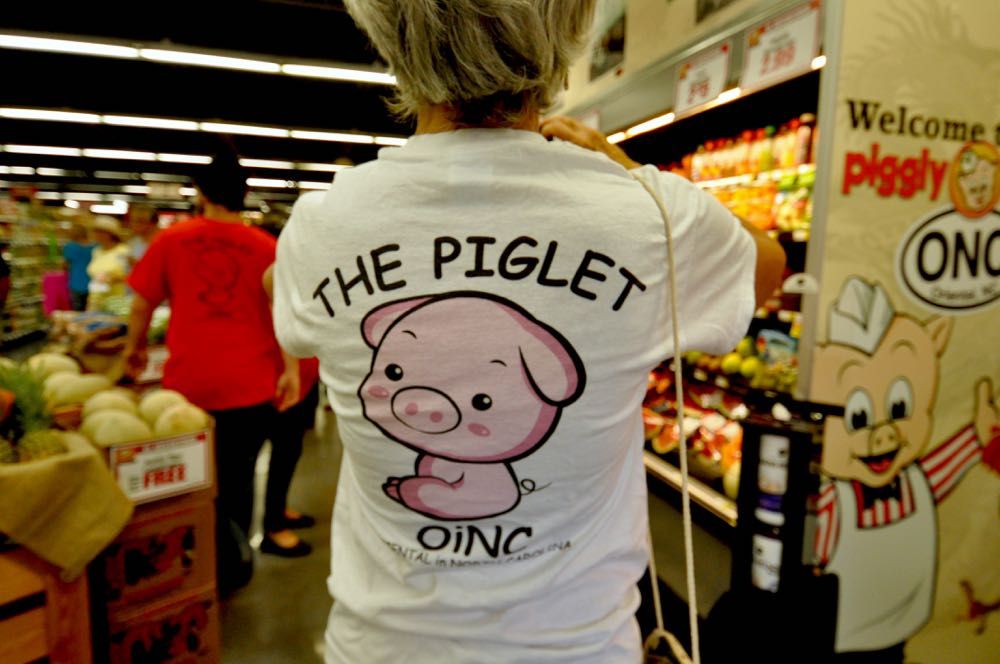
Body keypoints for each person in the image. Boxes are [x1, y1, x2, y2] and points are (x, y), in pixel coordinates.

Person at [271, 2, 786, 662]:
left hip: (379, 647)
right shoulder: (646, 217)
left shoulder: (320, 225)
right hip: (578, 647)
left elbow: (284, 304)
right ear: (569, 34)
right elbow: (766, 266)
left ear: (386, 35)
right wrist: (624, 168)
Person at [123, 146, 300, 594]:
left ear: (201, 193)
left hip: (187, 388)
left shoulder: (172, 240)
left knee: (191, 483)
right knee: (239, 478)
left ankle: (191, 563)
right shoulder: (266, 246)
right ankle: (233, 564)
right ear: (244, 195)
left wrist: (134, 349)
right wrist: (291, 370)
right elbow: (286, 314)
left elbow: (142, 304)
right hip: (251, 385)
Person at [86, 216, 129, 311]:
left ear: (110, 234)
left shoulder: (123, 251)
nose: (96, 234)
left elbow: (130, 275)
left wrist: (111, 279)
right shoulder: (96, 251)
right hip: (95, 302)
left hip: (115, 304)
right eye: (95, 231)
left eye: (100, 232)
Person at [63, 225, 96, 311]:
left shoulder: (70, 247)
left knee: (77, 311)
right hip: (94, 283)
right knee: (92, 310)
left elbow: (65, 265)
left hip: (76, 283)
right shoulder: (95, 247)